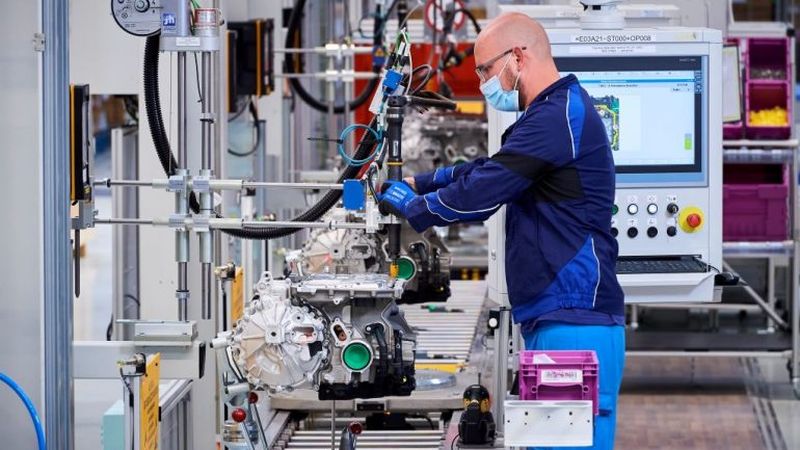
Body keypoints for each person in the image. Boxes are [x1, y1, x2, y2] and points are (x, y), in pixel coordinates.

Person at [378, 12, 626, 450]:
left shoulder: (558, 116)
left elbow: (488, 189)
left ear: (517, 56)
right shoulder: (550, 112)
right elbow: (491, 167)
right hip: (558, 317)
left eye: (485, 70)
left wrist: (417, 209)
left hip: (573, 319)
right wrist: (424, 181)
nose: (482, 83)